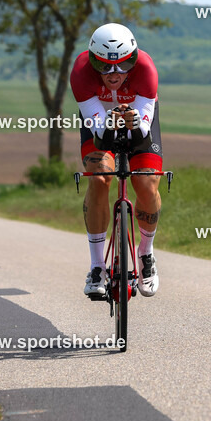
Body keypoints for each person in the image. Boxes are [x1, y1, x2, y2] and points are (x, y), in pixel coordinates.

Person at [70, 23, 163, 298]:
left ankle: (146, 254)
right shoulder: (80, 72)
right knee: (99, 178)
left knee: (146, 183)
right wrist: (110, 122)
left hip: (137, 120)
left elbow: (143, 130)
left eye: (124, 65)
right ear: (92, 60)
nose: (115, 74)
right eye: (105, 67)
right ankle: (97, 266)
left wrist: (133, 121)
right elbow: (98, 128)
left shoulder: (146, 69)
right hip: (99, 121)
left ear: (133, 59)